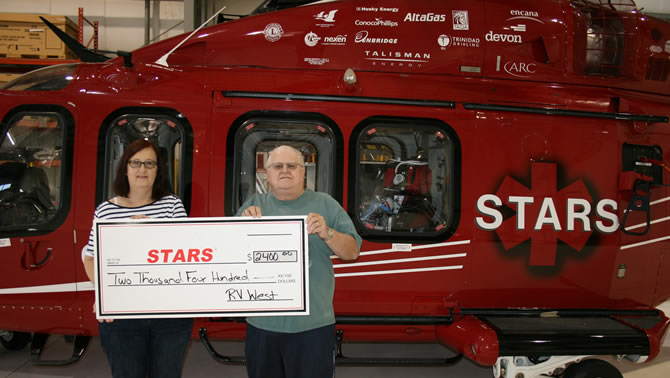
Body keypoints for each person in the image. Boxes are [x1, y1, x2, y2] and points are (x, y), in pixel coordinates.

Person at [237, 145, 362, 378]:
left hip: (313, 326)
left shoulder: (326, 204)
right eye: (277, 166)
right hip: (262, 326)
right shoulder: (254, 207)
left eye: (292, 165)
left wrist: (328, 233)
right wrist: (241, 229)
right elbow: (230, 255)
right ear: (266, 173)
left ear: (304, 172)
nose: (285, 171)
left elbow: (352, 252)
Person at [82, 139, 193, 378]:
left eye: (149, 163)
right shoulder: (105, 210)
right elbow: (90, 258)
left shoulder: (172, 206)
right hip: (123, 316)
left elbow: (186, 255)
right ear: (125, 168)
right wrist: (104, 294)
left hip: (169, 315)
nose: (142, 169)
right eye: (136, 163)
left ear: (157, 170)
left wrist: (152, 231)